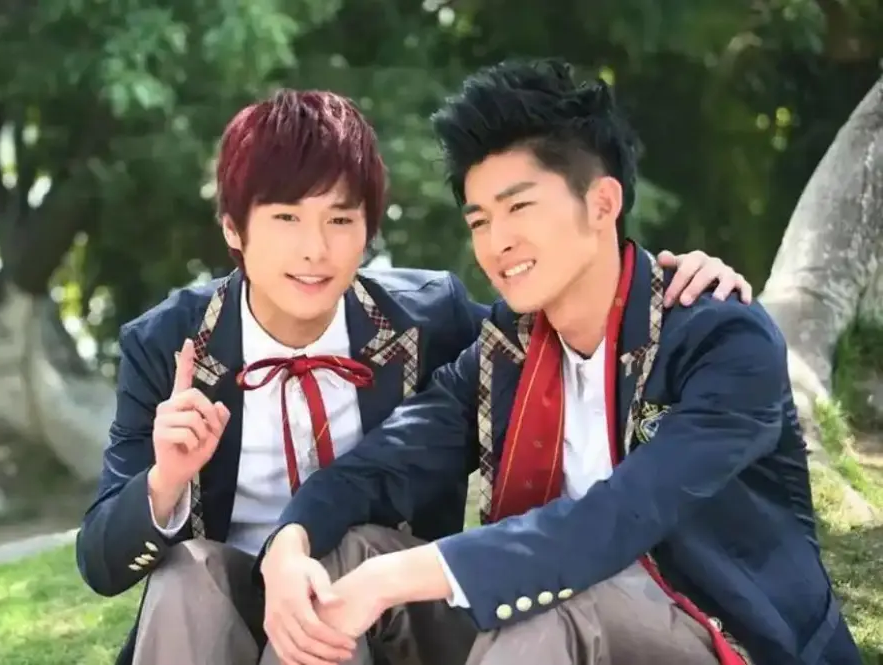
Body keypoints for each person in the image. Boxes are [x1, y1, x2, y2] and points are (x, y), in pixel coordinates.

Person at [74, 87, 752, 665]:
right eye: (285, 218)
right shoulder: (169, 344)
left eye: (341, 219)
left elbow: (574, 310)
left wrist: (670, 277)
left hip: (372, 615)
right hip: (220, 614)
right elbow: (101, 562)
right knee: (184, 573)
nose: (315, 249)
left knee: (356, 555)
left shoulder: (433, 320)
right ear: (234, 229)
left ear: (368, 228)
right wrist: (165, 482)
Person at [260, 61, 861, 665]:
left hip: (721, 633)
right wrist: (290, 541)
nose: (498, 242)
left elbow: (615, 519)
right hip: (551, 637)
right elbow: (385, 463)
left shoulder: (720, 338)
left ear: (602, 203)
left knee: (547, 606)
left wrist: (392, 579)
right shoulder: (507, 349)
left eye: (519, 207)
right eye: (480, 221)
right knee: (344, 559)